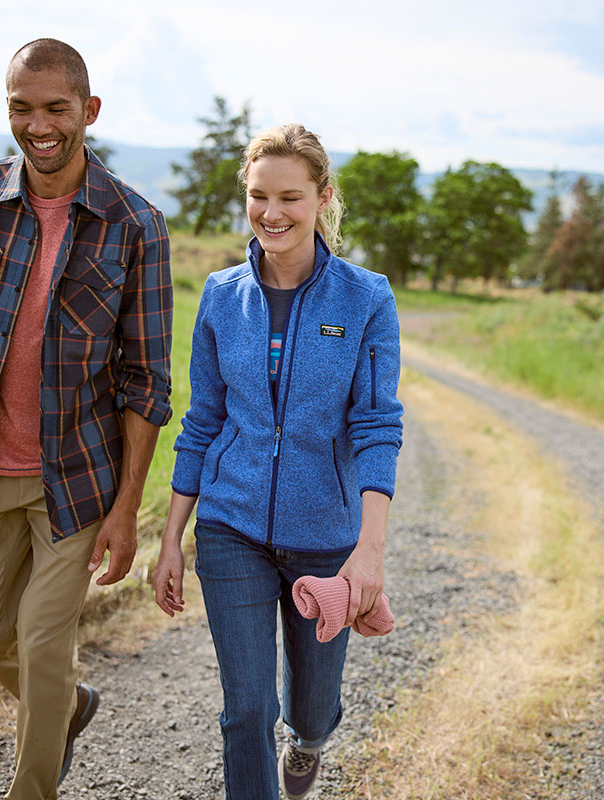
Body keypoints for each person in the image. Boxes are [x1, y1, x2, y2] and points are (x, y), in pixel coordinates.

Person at [0, 38, 172, 800]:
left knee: (44, 643)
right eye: (22, 107)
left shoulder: (134, 225)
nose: (38, 125)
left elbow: (146, 381)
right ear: (7, 107)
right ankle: (69, 708)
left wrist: (126, 508)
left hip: (75, 479)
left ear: (89, 111)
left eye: (56, 109)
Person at [151, 123, 403, 800]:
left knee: (311, 707)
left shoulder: (365, 298)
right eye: (259, 196)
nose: (272, 213)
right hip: (231, 530)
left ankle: (312, 741)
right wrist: (171, 537)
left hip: (326, 537)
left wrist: (369, 551)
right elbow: (203, 420)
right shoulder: (219, 295)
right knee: (247, 709)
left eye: (290, 196)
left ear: (322, 198)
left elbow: (378, 424)